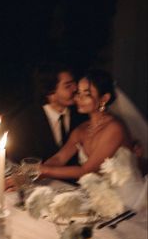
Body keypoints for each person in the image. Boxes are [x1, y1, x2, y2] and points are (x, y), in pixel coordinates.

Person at [40, 69, 146, 209]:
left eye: (87, 94)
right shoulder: (82, 129)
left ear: (104, 99)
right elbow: (59, 158)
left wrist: (44, 170)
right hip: (102, 200)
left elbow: (86, 170)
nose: (78, 98)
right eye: (78, 92)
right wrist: (28, 174)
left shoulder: (114, 128)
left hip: (130, 201)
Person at [7, 62, 87, 166]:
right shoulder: (25, 121)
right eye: (68, 86)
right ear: (50, 93)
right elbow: (18, 160)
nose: (75, 88)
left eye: (74, 83)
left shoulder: (82, 113)